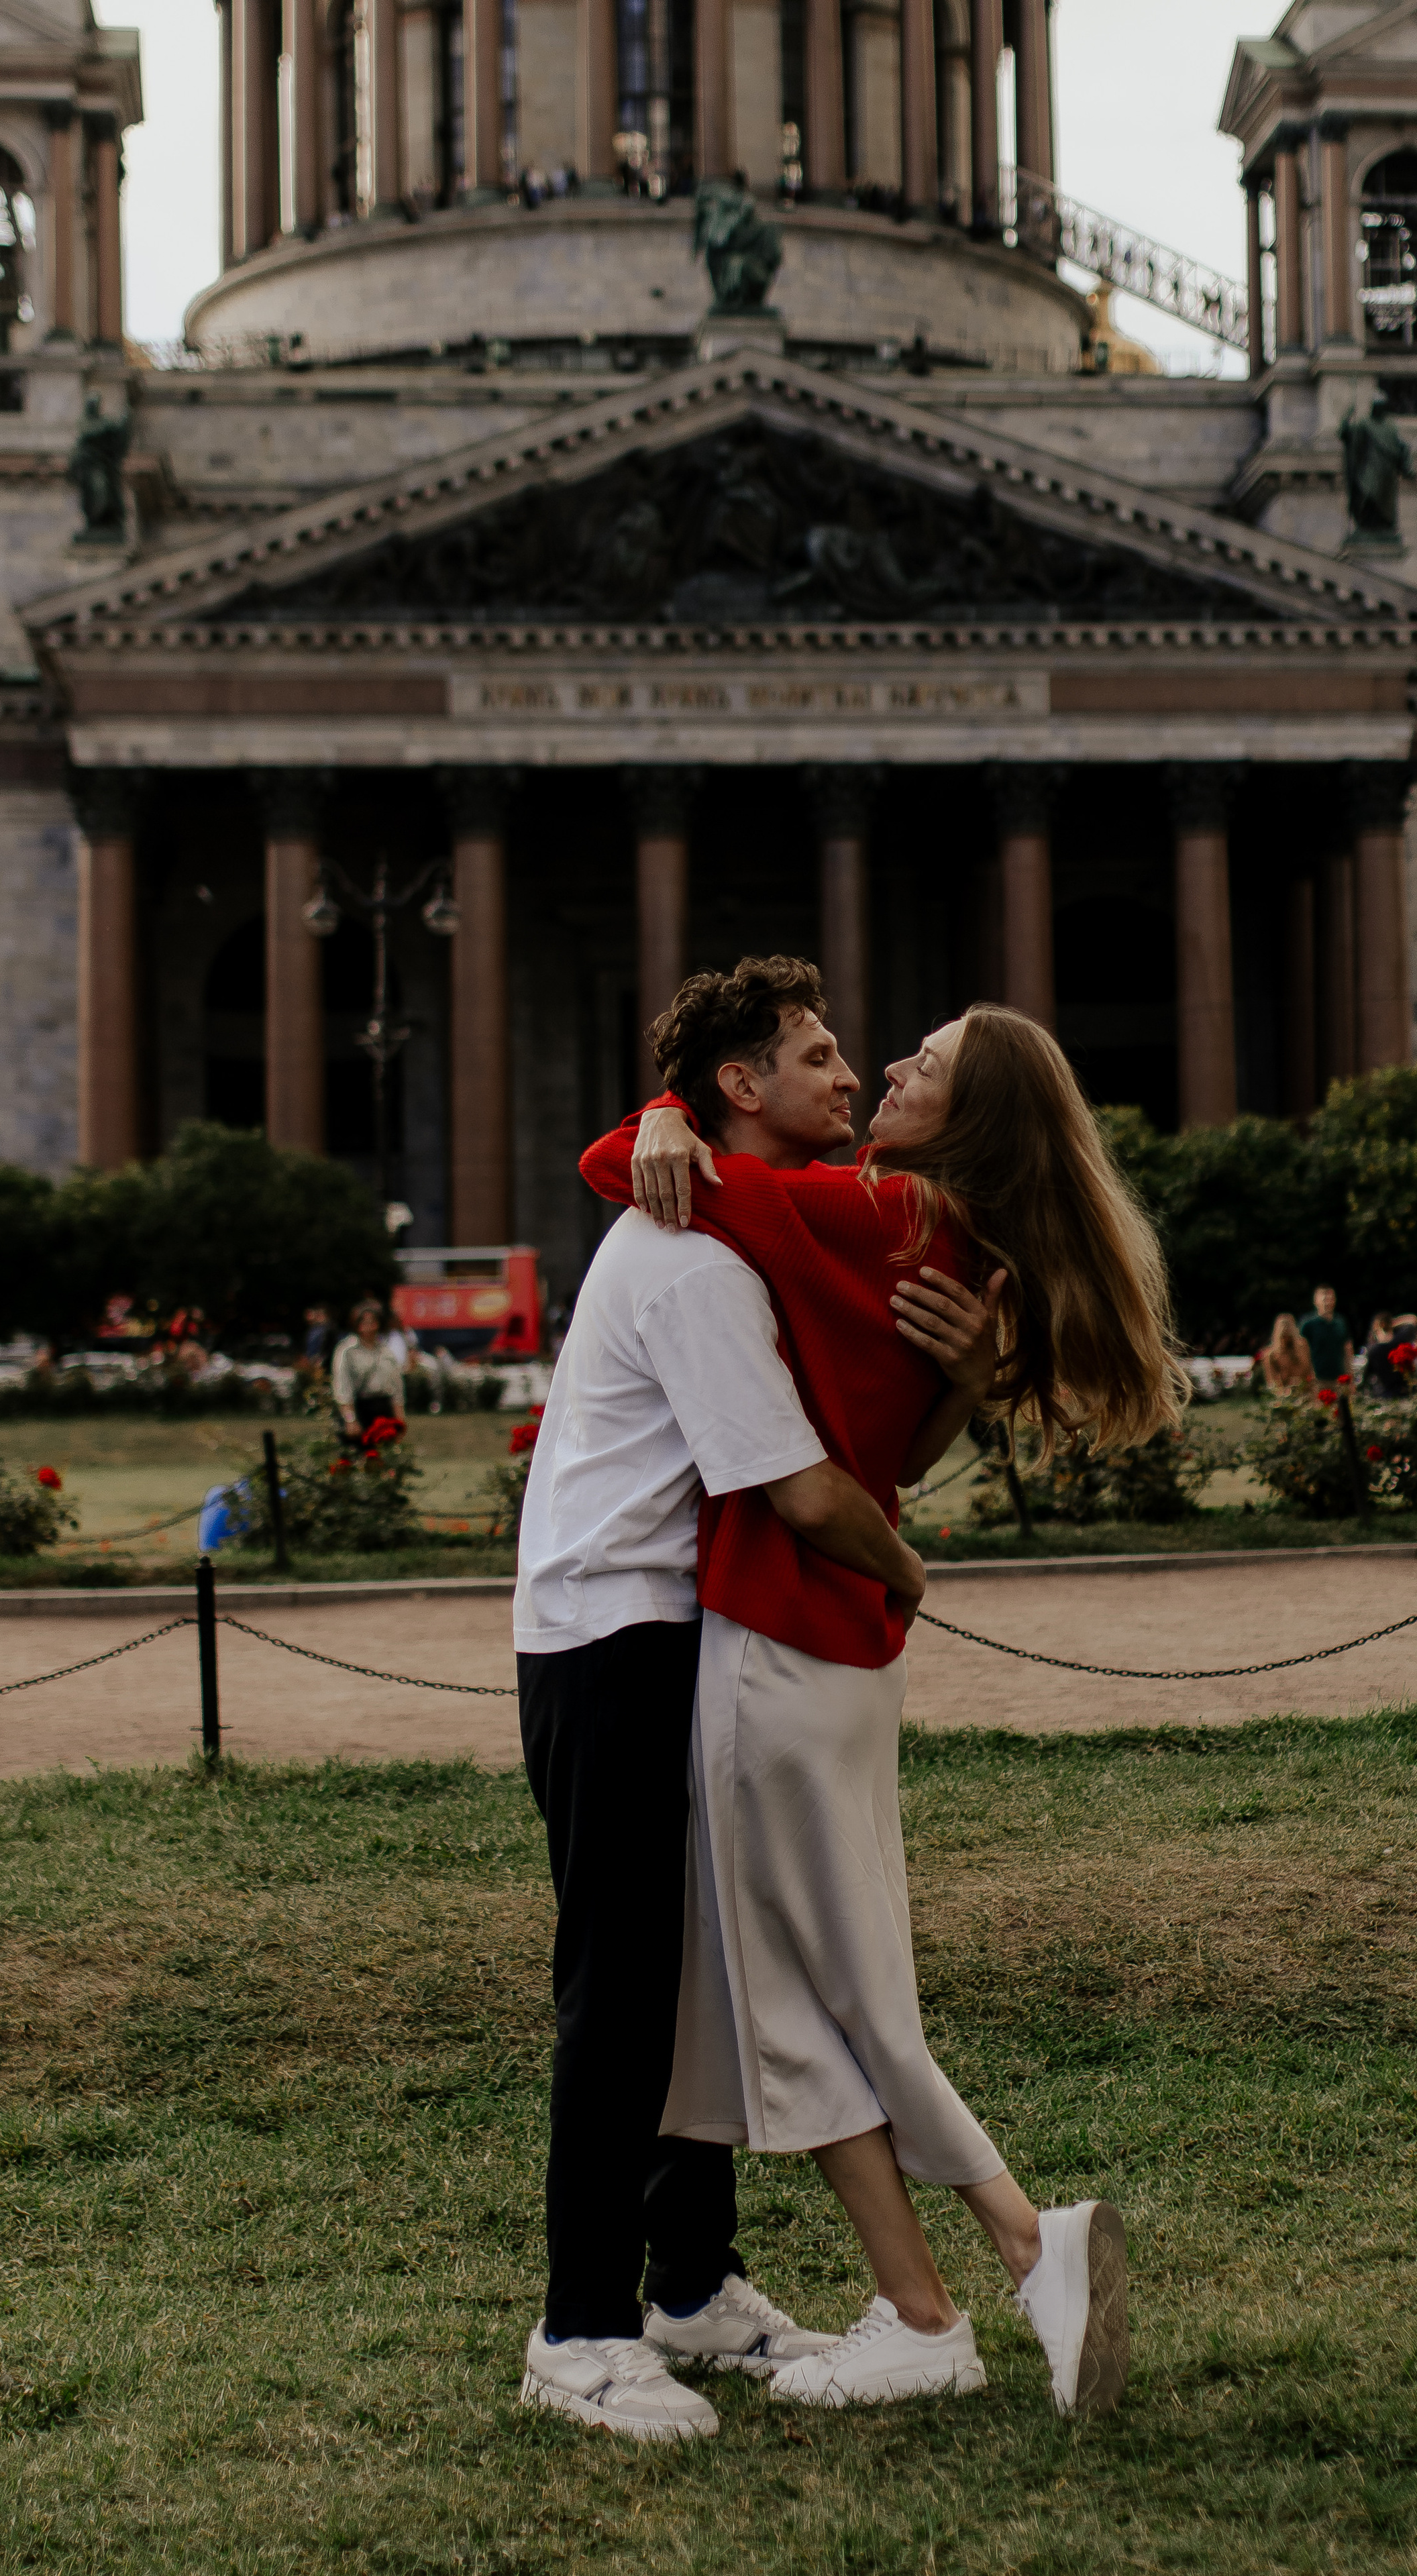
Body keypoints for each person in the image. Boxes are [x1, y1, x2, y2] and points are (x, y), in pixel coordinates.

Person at [587, 987, 1188, 2420]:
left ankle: (989, 2269)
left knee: (808, 2002)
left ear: (966, 1118)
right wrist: (962, 1393)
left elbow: (623, 1167)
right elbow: (897, 1447)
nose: (886, 1069)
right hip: (845, 1651)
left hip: (779, 1633)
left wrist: (665, 1110)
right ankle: (960, 2284)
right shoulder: (960, 1246)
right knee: (835, 1989)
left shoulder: (866, 1212)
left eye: (925, 1065)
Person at [513, 957, 1002, 2445]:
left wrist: (966, 1376)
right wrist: (907, 1577)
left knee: (690, 1972)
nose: (851, 1076)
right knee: (620, 1991)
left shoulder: (746, 1226)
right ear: (741, 1087)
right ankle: (580, 2331)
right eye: (817, 1055)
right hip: (612, 1637)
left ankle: (689, 2287)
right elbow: (800, 1489)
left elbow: (870, 1447)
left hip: (664, 1628)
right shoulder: (697, 1263)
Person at [330, 1299, 406, 1436]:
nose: (369, 1326)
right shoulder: (347, 1351)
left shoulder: (386, 1352)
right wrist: (350, 1420)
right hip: (360, 1407)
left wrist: (400, 1418)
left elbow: (397, 1387)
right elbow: (343, 1387)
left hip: (383, 1408)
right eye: (364, 1322)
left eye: (373, 1322)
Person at [1298, 1285, 1353, 1385]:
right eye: (1324, 1299)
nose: (1328, 1302)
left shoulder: (1340, 1323)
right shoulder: (1308, 1324)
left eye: (1331, 1299)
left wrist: (1350, 1376)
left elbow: (1347, 1349)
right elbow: (1302, 1351)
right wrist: (1309, 1375)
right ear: (1316, 1301)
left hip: (1339, 1379)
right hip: (1317, 1379)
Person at [1261, 1312, 1315, 1393]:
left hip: (1305, 1392)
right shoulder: (1271, 1355)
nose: (1286, 1339)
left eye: (1289, 1336)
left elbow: (1310, 1372)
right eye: (1284, 1337)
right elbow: (1271, 1382)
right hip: (1284, 1394)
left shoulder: (1303, 1347)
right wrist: (1284, 1391)